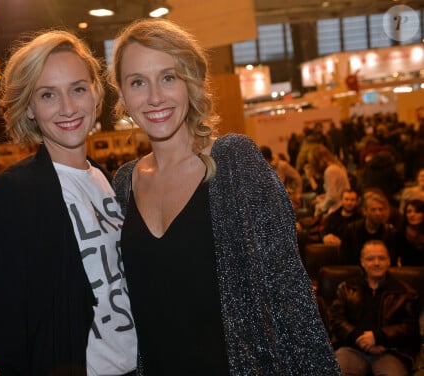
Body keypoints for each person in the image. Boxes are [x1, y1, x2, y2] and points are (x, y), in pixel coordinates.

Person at [109, 18, 339, 375]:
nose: (154, 96)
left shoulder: (236, 164)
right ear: (123, 95)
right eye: (138, 82)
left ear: (192, 81)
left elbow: (290, 297)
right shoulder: (123, 184)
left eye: (169, 77)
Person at [0, 30, 137, 376]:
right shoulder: (13, 193)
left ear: (94, 93)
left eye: (77, 89)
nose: (68, 107)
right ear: (30, 108)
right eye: (48, 95)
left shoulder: (111, 180)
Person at [329, 240, 420, 376]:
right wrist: (358, 337)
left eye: (381, 258)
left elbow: (410, 328)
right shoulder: (346, 287)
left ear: (389, 261)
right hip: (351, 348)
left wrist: (378, 337)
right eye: (370, 259)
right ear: (362, 262)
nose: (376, 263)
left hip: (390, 351)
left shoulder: (405, 292)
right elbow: (336, 320)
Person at [340, 189, 398, 265]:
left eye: (380, 209)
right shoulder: (351, 230)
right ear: (364, 211)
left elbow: (392, 261)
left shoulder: (390, 232)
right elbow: (345, 259)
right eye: (373, 210)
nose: (378, 213)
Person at [308, 144, 351, 217]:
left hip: (337, 210)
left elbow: (333, 197)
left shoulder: (329, 171)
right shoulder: (338, 166)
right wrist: (325, 196)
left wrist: (321, 207)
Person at [396, 199, 424, 266]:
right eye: (409, 212)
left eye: (417, 212)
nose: (412, 215)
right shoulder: (400, 234)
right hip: (407, 272)